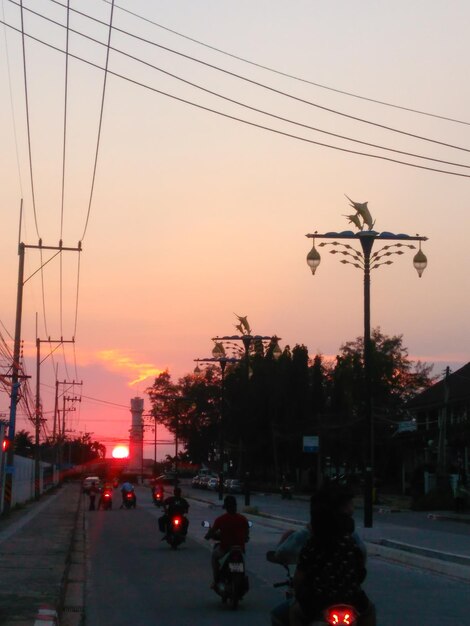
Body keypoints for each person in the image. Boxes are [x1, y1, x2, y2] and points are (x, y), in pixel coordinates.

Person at [270, 483, 368, 626]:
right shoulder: (352, 541)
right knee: (369, 612)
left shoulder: (312, 542)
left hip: (316, 602)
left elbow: (298, 576)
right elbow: (361, 569)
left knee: (281, 615)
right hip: (352, 600)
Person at [205, 495, 250, 587]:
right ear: (235, 506)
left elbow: (212, 531)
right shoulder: (243, 519)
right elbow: (246, 535)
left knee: (214, 556)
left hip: (225, 548)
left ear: (226, 507)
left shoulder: (220, 520)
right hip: (240, 549)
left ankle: (216, 579)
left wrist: (208, 536)